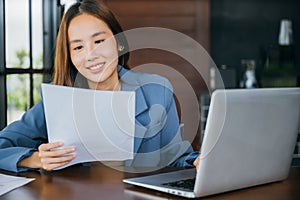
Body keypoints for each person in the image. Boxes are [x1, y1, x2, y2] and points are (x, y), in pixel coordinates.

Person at [0, 0, 200, 172]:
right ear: (70, 56)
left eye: (99, 41)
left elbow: (175, 156)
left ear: (119, 43)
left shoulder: (157, 90)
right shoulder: (58, 100)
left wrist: (198, 161)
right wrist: (35, 159)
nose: (91, 55)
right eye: (78, 47)